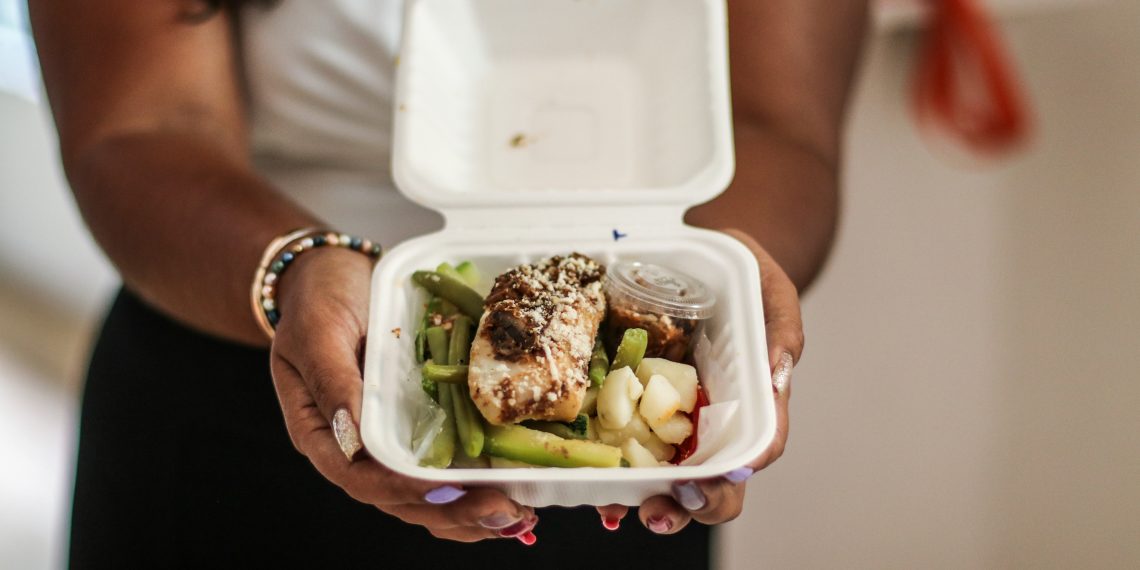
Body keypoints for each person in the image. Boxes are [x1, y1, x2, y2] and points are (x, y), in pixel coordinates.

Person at [31, 0, 868, 566]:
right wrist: (296, 265)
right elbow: (134, 126)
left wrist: (714, 280)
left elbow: (780, 131)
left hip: (612, 486)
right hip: (244, 346)